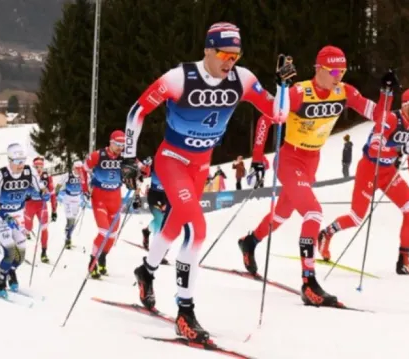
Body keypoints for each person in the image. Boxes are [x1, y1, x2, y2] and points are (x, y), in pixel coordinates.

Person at [123, 22, 293, 343]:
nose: (229, 61)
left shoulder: (242, 80)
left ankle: (146, 271)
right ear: (207, 50)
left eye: (235, 54)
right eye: (224, 54)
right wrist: (130, 157)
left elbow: (278, 115)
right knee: (196, 230)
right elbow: (138, 110)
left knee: (174, 226)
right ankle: (185, 311)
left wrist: (283, 87)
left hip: (201, 166)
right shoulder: (180, 77)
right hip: (172, 160)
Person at [238, 45, 382, 309]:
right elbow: (265, 119)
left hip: (312, 160)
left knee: (281, 214)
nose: (339, 76)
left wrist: (386, 93)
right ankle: (309, 282)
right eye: (334, 70)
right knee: (313, 213)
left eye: (343, 70)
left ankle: (250, 241)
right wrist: (258, 158)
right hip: (290, 158)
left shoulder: (344, 91)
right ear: (319, 69)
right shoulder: (299, 92)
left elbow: (378, 116)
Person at [319, 86, 409, 275]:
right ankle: (326, 233)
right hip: (369, 171)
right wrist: (400, 150)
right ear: (406, 105)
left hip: (389, 174)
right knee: (355, 218)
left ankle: (403, 261)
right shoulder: (390, 119)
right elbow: (373, 149)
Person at [0, 143, 49, 298]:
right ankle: (1, 284)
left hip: (18, 214)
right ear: (10, 160)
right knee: (9, 252)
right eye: (17, 161)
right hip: (2, 216)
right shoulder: (0, 176)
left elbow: (40, 186)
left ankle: (11, 271)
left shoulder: (29, 172)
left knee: (20, 256)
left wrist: (44, 193)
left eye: (23, 161)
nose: (21, 165)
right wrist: (5, 216)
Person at [80, 130, 129, 279]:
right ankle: (92, 261)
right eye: (117, 144)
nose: (120, 147)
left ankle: (102, 258)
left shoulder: (126, 157)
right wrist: (85, 188)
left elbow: (141, 171)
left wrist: (143, 169)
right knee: (103, 231)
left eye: (123, 144)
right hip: (100, 196)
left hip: (116, 198)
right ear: (111, 142)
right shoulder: (98, 155)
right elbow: (84, 169)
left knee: (112, 235)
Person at [24, 156, 57, 263]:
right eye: (36, 167)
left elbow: (52, 194)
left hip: (41, 205)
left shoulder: (47, 177)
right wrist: (26, 195)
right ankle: (20, 249)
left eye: (41, 167)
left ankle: (43, 252)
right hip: (30, 205)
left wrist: (54, 210)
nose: (39, 169)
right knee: (27, 228)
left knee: (44, 227)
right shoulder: (28, 176)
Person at [140, 158, 170, 265]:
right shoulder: (155, 162)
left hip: (167, 196)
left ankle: (147, 230)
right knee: (159, 222)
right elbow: (143, 172)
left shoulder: (176, 164)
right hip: (154, 195)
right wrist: (145, 166)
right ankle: (158, 253)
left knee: (167, 223)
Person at [54, 161, 84, 250]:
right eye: (77, 169)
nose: (78, 171)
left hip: (77, 199)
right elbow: (59, 184)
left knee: (73, 221)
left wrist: (88, 193)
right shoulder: (67, 175)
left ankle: (68, 234)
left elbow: (88, 185)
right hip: (68, 199)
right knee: (69, 219)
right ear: (73, 168)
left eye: (80, 169)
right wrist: (56, 193)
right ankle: (68, 238)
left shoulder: (83, 175)